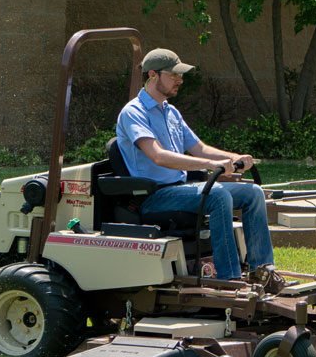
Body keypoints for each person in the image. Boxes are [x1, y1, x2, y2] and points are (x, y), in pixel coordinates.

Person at [116, 47, 273, 281]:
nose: (180, 80)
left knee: (253, 193)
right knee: (218, 196)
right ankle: (229, 279)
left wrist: (233, 157)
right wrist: (210, 164)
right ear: (152, 75)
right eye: (173, 75)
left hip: (181, 189)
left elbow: (199, 148)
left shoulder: (171, 112)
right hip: (154, 197)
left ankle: (263, 271)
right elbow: (158, 155)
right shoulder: (133, 113)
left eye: (180, 75)